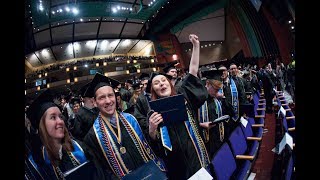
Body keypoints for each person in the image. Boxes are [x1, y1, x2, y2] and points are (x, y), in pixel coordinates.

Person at [147, 34, 210, 179]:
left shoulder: (183, 94)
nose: (161, 83)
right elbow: (155, 145)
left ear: (170, 84)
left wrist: (195, 46)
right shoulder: (153, 114)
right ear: (154, 90)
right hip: (177, 163)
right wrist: (151, 131)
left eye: (163, 80)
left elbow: (193, 70)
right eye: (156, 83)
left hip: (196, 152)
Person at [83, 73, 166, 179]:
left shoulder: (132, 119)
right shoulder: (92, 137)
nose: (108, 101)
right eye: (102, 98)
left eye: (110, 95)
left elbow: (151, 147)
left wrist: (152, 132)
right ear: (94, 102)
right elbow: (102, 172)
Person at [25, 89, 103, 180]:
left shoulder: (80, 148)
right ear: (42, 126)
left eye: (60, 116)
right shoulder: (36, 162)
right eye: (53, 117)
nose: (60, 121)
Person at [199, 69, 235, 157]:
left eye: (219, 89)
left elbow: (231, 112)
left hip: (219, 137)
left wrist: (222, 98)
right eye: (215, 89)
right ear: (207, 84)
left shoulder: (217, 99)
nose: (217, 92)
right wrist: (201, 125)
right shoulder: (198, 100)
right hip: (207, 141)